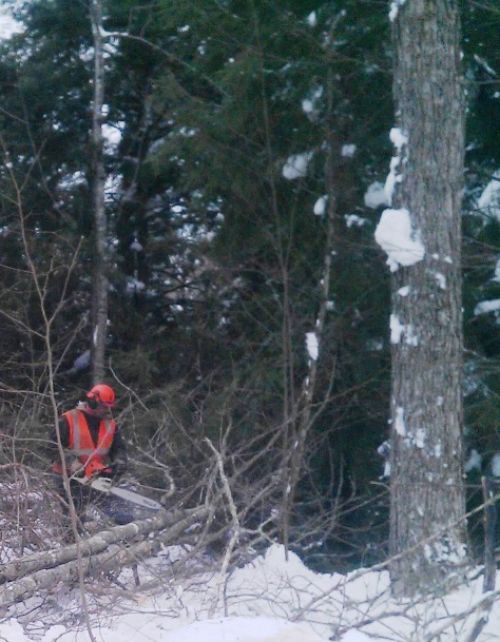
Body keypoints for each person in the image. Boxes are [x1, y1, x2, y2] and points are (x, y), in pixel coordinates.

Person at [50, 383, 128, 528]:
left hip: (95, 476)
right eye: (104, 406)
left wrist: (119, 463)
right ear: (92, 402)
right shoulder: (68, 419)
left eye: (108, 406)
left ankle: (123, 536)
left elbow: (119, 449)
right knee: (74, 518)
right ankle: (72, 545)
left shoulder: (110, 424)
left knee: (120, 512)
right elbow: (53, 446)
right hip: (67, 477)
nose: (107, 410)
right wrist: (72, 463)